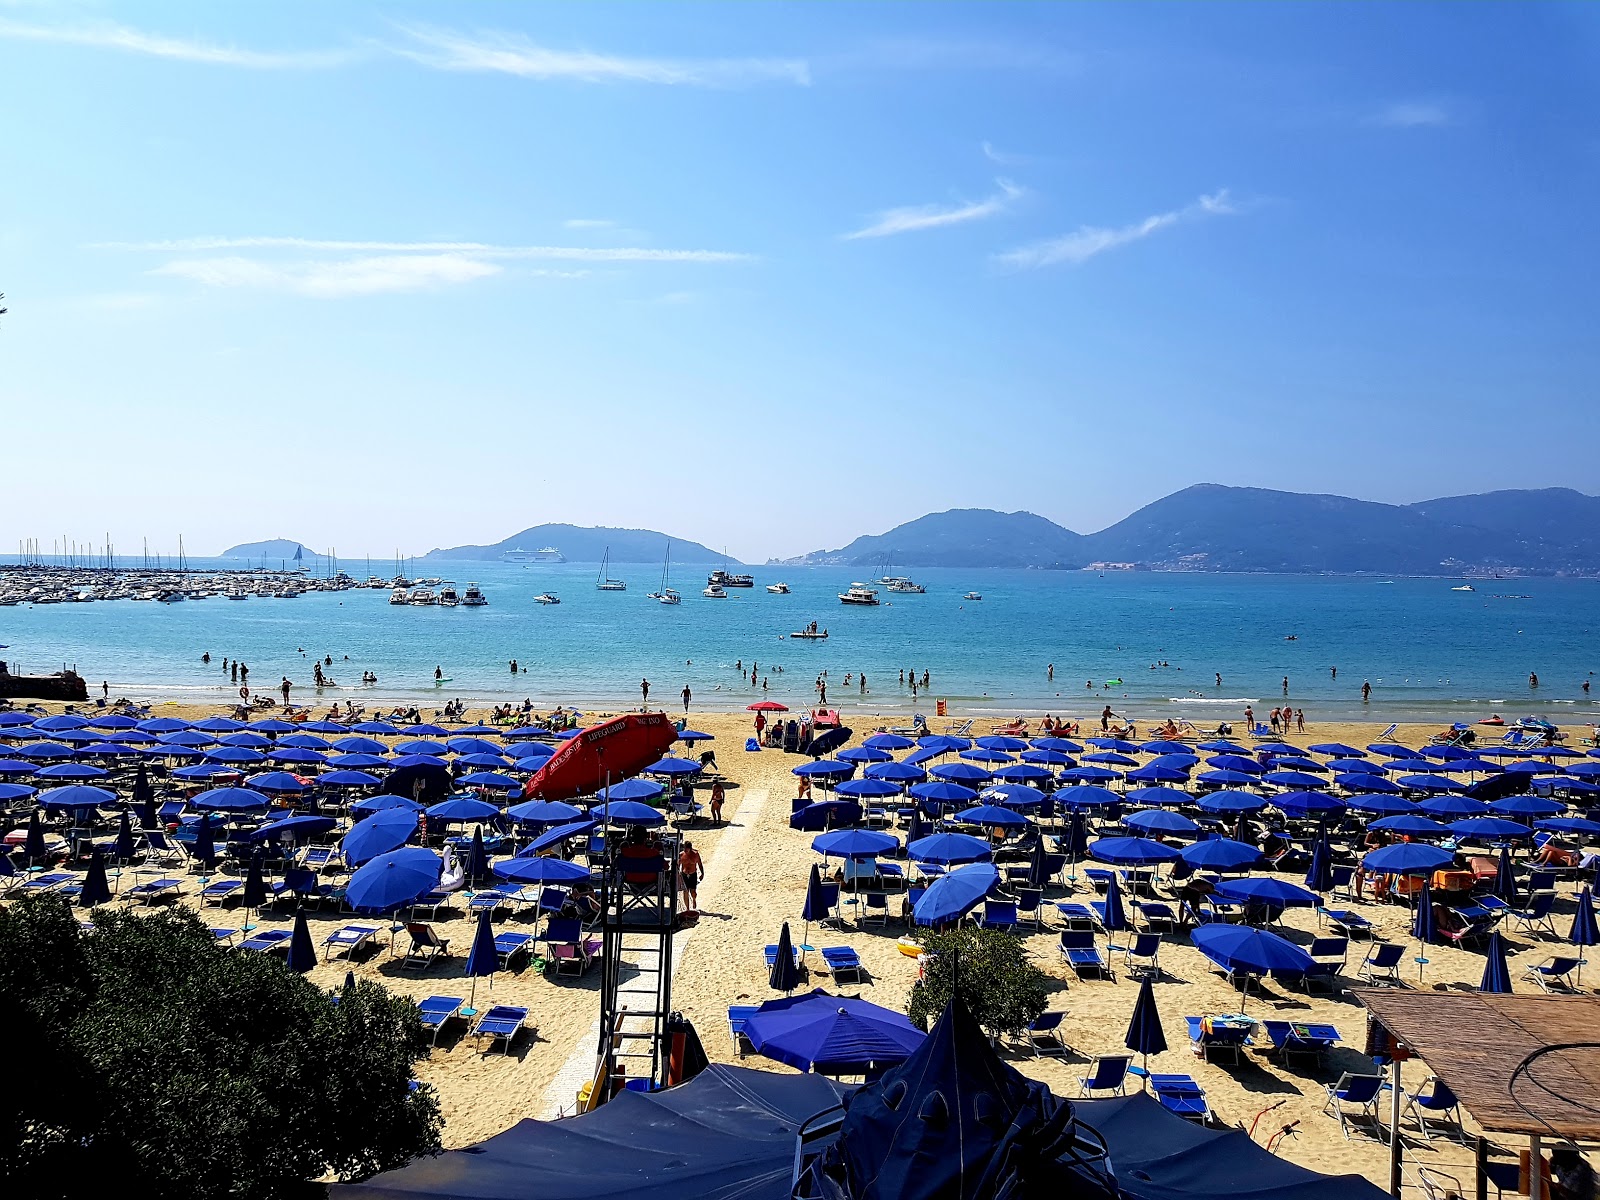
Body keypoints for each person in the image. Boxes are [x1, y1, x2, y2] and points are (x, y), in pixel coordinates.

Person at [678, 841, 703, 914]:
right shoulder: (681, 855)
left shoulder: (695, 854)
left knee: (693, 892)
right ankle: (687, 909)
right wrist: (678, 874)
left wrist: (702, 873)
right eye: (684, 848)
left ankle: (694, 899)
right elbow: (678, 864)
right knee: (685, 891)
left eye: (686, 849)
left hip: (693, 874)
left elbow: (700, 864)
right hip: (684, 874)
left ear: (690, 849)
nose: (685, 850)